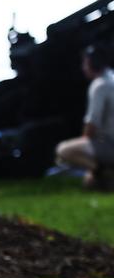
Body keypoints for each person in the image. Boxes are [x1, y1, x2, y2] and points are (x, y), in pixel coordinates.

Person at [55, 44, 114, 189]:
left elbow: (92, 124)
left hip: (110, 144)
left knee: (63, 150)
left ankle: (104, 172)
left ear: (92, 63)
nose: (83, 67)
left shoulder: (99, 85)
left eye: (85, 63)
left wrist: (83, 142)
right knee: (89, 182)